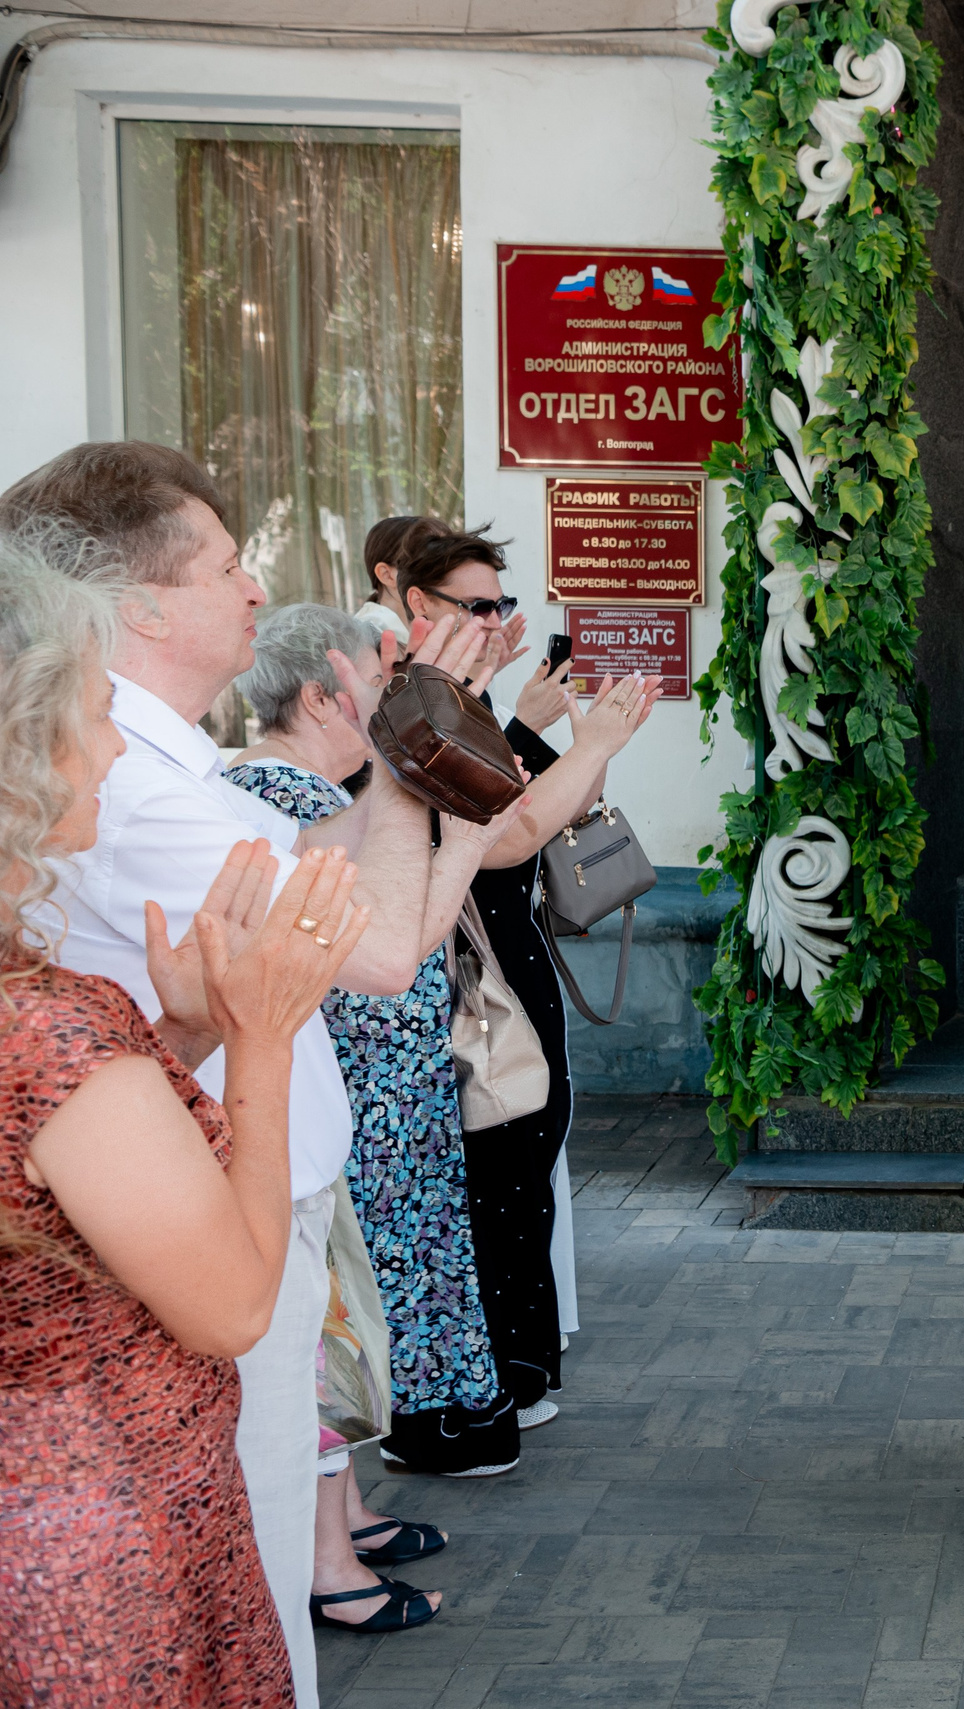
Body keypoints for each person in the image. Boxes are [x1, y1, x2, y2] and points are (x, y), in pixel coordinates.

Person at [1, 443, 497, 1707]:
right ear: (142, 607)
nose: (256, 587)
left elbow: (327, 871)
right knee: (254, 1552)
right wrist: (405, 757)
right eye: (227, 563)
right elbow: (377, 941)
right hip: (186, 1244)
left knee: (252, 1539)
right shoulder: (64, 972)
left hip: (199, 1204)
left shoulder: (168, 762)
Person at [0, 542, 369, 1706]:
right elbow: (230, 1305)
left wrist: (190, 1033)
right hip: (96, 1538)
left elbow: (59, 1172)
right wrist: (263, 1036)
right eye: (95, 715)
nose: (115, 747)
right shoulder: (41, 1024)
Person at [387, 524, 649, 1433]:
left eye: (504, 603)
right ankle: (503, 1373)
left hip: (515, 950)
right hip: (467, 973)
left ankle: (527, 1362)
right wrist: (586, 740)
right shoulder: (409, 707)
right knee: (495, 1172)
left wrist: (576, 737)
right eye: (479, 605)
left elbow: (547, 802)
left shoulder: (464, 700)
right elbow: (508, 833)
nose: (500, 620)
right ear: (420, 607)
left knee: (525, 1162)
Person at [352, 515, 440, 647]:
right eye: (425, 565)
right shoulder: (371, 633)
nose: (440, 574)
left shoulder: (410, 625)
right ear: (386, 575)